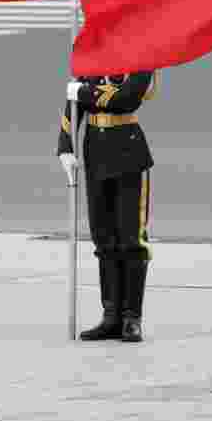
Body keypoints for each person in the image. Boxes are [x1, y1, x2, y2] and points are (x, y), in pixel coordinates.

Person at [57, 71, 158, 342]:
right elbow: (73, 100)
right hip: (96, 152)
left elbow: (127, 98)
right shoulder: (93, 52)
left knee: (131, 240)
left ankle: (131, 318)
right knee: (104, 238)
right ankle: (111, 315)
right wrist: (65, 146)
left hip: (128, 152)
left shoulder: (140, 53)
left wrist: (83, 93)